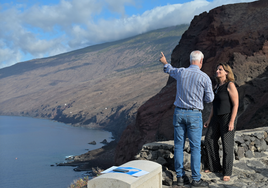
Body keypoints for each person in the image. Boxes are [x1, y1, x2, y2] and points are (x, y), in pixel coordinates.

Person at [159, 51, 214, 188]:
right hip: (194, 115)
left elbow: (169, 70)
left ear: (190, 61)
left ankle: (180, 177)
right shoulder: (204, 77)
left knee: (179, 146)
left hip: (179, 113)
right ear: (201, 61)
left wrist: (165, 62)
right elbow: (210, 98)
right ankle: (196, 179)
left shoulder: (182, 72)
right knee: (195, 147)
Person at [203, 63, 239, 182]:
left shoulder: (230, 85)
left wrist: (232, 121)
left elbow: (235, 104)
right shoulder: (217, 86)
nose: (217, 71)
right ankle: (215, 167)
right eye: (217, 69)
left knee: (227, 145)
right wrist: (209, 119)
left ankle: (227, 172)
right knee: (209, 139)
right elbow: (214, 105)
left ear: (226, 72)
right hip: (215, 118)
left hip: (227, 117)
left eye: (220, 69)